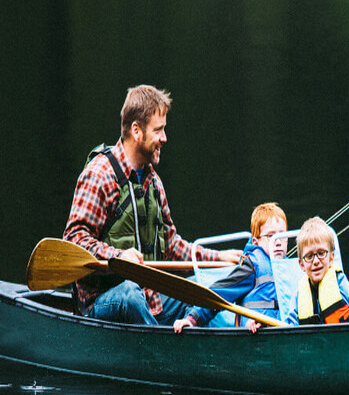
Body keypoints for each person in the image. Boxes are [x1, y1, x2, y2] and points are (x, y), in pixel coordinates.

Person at [63, 84, 240, 324]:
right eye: (158, 130)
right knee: (130, 293)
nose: (164, 138)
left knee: (203, 287)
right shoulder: (100, 174)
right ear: (136, 130)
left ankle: (221, 346)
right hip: (103, 301)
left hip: (151, 299)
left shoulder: (153, 182)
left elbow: (172, 246)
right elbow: (74, 239)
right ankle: (162, 355)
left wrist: (218, 259)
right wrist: (118, 257)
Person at [173, 202, 288, 334]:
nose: (278, 242)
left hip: (284, 332)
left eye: (282, 236)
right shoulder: (251, 267)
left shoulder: (289, 267)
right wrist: (193, 319)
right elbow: (219, 293)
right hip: (256, 335)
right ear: (256, 242)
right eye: (271, 236)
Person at [284, 216, 349, 326]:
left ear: (331, 258)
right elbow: (289, 328)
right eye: (309, 256)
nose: (316, 261)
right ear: (301, 264)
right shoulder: (297, 295)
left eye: (321, 253)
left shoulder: (340, 282)